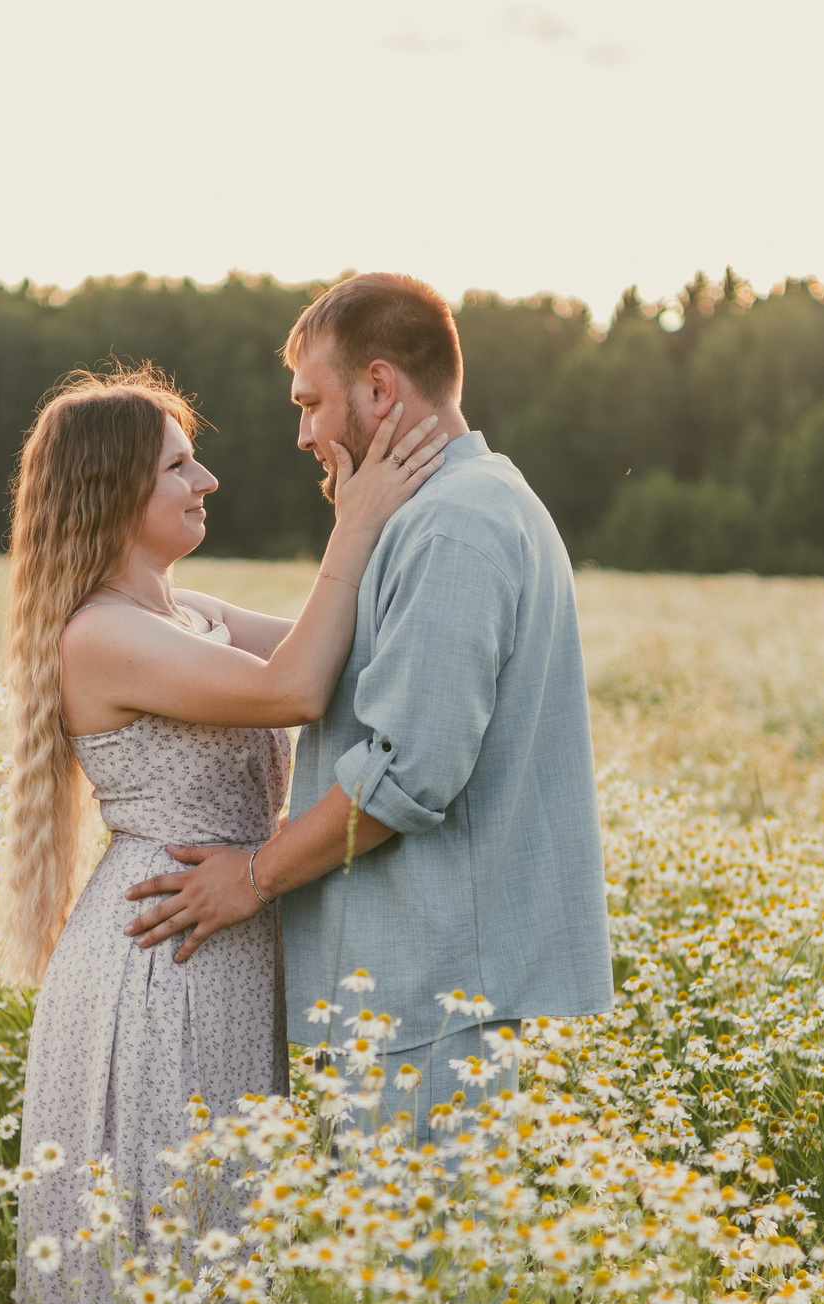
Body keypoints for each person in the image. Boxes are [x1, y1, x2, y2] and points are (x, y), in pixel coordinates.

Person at [0, 363, 447, 1304]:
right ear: (113, 494)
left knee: (205, 1259)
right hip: (161, 964)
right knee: (151, 1265)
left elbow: (332, 649)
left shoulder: (179, 613)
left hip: (219, 949)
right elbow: (293, 687)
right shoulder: (100, 632)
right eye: (177, 465)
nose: (207, 478)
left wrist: (388, 508)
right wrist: (360, 518)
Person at [124, 272, 614, 1142]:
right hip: (418, 993)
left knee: (423, 1235)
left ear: (380, 387)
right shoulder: (450, 510)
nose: (303, 434)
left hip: (433, 1000)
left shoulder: (454, 526)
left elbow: (406, 775)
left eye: (312, 403)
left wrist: (251, 876)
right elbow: (336, 669)